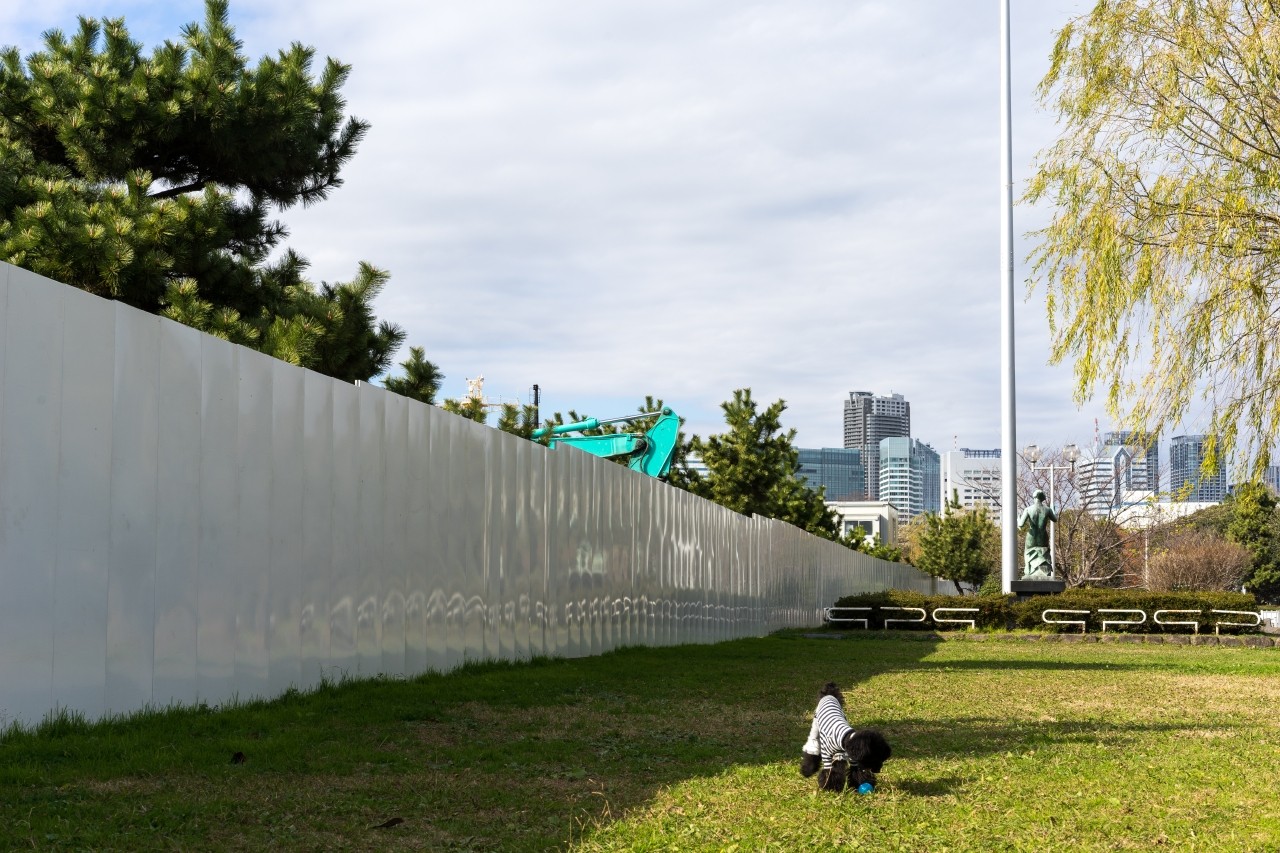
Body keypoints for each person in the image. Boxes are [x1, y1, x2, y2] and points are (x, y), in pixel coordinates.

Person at [1017, 489, 1058, 578]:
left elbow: (1020, 524)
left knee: (1028, 552)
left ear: (1034, 497)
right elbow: (1055, 519)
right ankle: (1045, 572)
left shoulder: (1028, 509)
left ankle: (1029, 571)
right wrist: (1053, 510)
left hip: (1031, 535)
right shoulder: (1048, 509)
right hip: (1043, 536)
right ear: (1042, 498)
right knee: (1044, 552)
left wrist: (1018, 519)